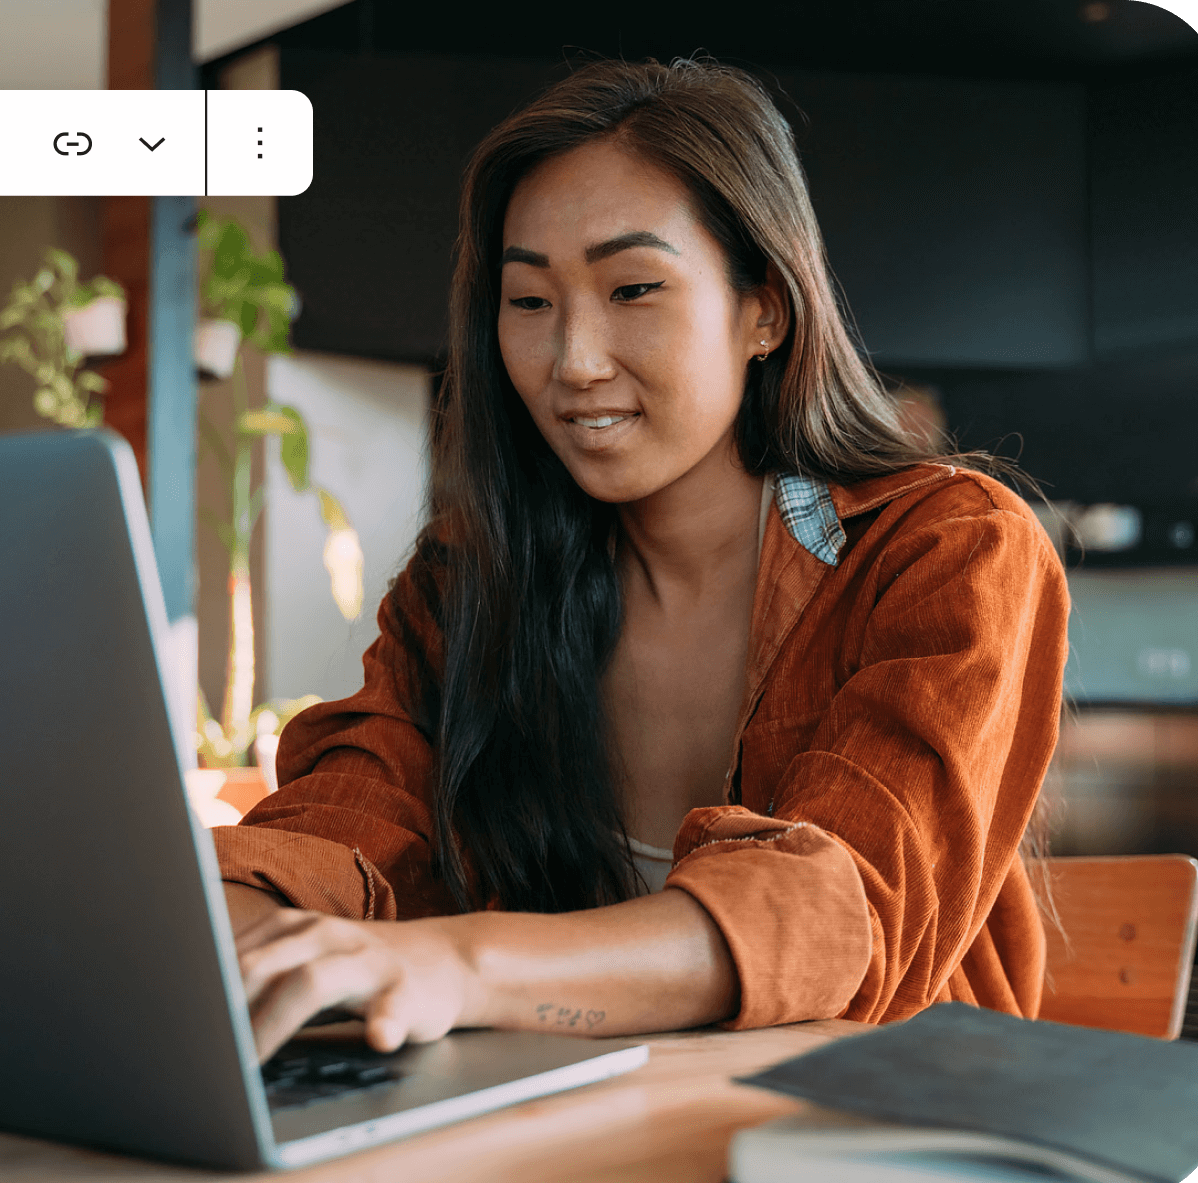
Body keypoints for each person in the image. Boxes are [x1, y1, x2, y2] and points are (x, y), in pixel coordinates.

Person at [214, 58, 1070, 1063]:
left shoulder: (946, 550)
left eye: (632, 288)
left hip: (874, 1127)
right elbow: (341, 817)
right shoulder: (470, 578)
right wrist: (222, 930)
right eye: (527, 301)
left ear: (766, 309)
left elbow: (842, 908)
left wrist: (462, 963)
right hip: (574, 1123)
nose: (573, 360)